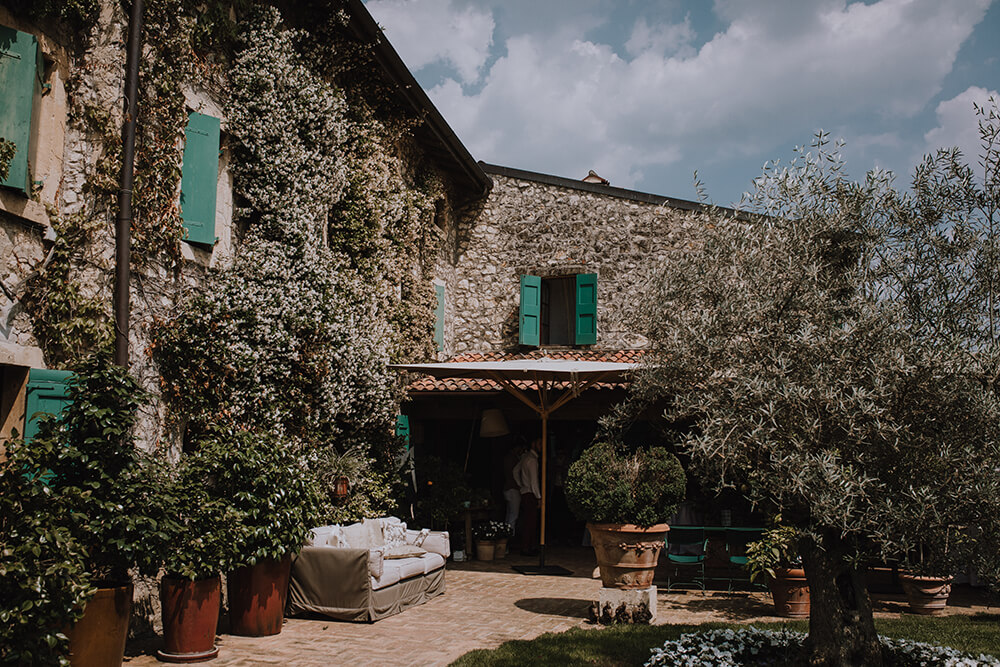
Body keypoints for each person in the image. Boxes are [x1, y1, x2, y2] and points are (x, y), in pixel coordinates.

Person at [514, 437, 542, 555]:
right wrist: (539, 497)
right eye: (540, 443)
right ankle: (527, 546)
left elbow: (515, 471)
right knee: (530, 521)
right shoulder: (532, 460)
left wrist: (521, 485)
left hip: (526, 491)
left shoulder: (526, 457)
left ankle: (528, 545)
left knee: (528, 520)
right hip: (530, 493)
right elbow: (534, 481)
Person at [503, 442, 526, 535]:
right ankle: (509, 537)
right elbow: (514, 473)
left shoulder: (510, 458)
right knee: (513, 515)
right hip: (512, 488)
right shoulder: (512, 459)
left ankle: (506, 535)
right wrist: (520, 485)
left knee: (510, 515)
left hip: (509, 488)